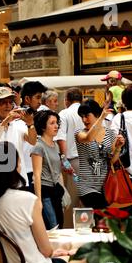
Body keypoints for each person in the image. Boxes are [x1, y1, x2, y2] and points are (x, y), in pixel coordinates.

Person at [0, 141, 86, 263]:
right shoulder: (27, 200)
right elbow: (47, 251)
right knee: (85, 258)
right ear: (14, 168)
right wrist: (53, 253)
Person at [0, 86, 37, 187]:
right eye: (3, 102)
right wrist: (6, 121)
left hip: (19, 180)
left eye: (10, 102)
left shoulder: (19, 124)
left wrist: (30, 124)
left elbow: (32, 141)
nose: (8, 105)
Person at [75, 100, 125, 209]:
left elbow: (112, 161)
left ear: (96, 114)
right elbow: (88, 138)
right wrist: (101, 118)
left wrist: (118, 147)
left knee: (103, 222)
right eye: (82, 116)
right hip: (87, 187)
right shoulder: (80, 133)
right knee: (101, 215)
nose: (84, 120)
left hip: (106, 186)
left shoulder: (110, 133)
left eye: (87, 116)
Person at [54, 88, 84, 227]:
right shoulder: (87, 111)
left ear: (66, 100)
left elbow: (61, 139)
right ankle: (85, 228)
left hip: (73, 162)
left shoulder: (64, 114)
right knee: (85, 198)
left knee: (70, 199)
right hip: (89, 162)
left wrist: (64, 160)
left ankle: (69, 230)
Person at [31, 110, 64, 229]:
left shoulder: (55, 145)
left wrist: (63, 191)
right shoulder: (38, 146)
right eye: (52, 123)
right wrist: (38, 200)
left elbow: (58, 171)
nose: (56, 126)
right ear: (43, 127)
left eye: (57, 123)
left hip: (56, 191)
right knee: (53, 227)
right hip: (45, 192)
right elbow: (36, 174)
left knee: (60, 226)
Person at [20, 81, 48, 190]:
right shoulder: (16, 118)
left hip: (39, 169)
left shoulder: (40, 115)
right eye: (37, 97)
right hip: (24, 170)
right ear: (27, 99)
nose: (40, 102)